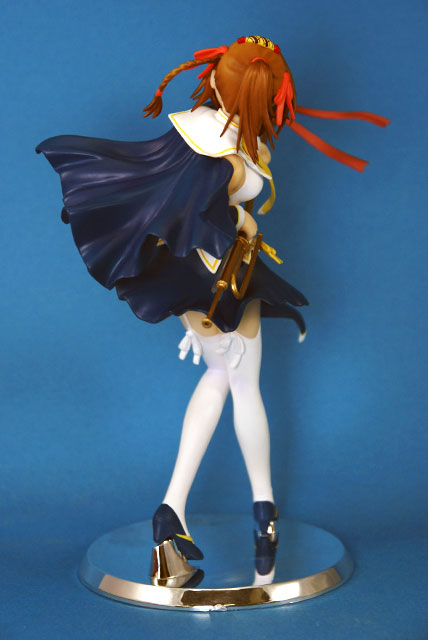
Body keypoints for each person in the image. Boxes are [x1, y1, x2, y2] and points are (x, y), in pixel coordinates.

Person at [37, 35, 389, 583]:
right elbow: (208, 197)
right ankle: (261, 512)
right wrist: (241, 218)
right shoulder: (225, 153)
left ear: (218, 83)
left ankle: (175, 512)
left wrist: (230, 223)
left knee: (222, 377)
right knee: (243, 385)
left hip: (198, 280)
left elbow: (186, 197)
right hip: (221, 279)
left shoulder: (201, 128)